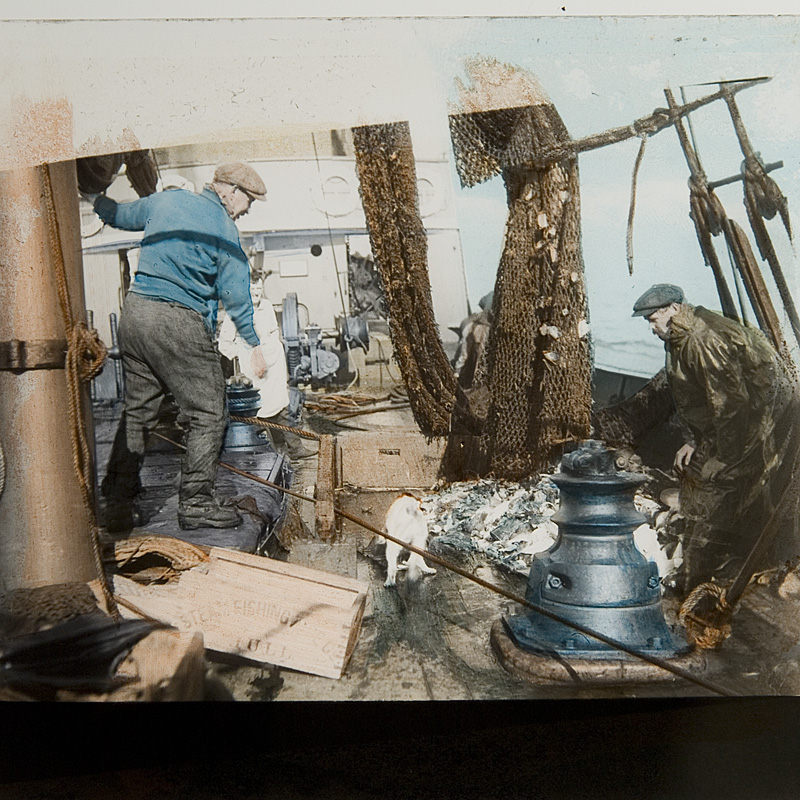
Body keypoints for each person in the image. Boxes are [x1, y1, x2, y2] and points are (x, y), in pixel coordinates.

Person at [95, 162, 268, 531]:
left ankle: (117, 505)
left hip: (136, 315)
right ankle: (196, 503)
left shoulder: (164, 202)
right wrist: (253, 344)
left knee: (138, 412)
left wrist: (95, 196)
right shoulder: (225, 229)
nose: (247, 209)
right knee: (208, 413)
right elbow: (236, 297)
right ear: (233, 192)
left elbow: (117, 215)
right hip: (177, 322)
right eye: (248, 201)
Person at [632, 283, 799, 593]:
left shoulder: (702, 340)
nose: (651, 328)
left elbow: (732, 406)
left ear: (673, 310)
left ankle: (694, 580)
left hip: (766, 410)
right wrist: (694, 440)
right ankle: (719, 557)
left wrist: (723, 459)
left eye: (653, 320)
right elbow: (694, 397)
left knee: (719, 484)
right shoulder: (678, 336)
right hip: (740, 411)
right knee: (703, 473)